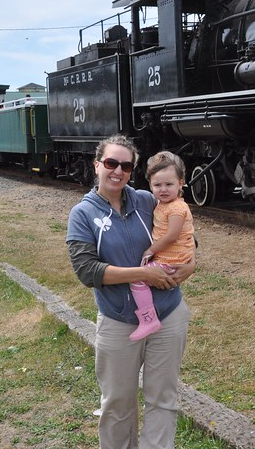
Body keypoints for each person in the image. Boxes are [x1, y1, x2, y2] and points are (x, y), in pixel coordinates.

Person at [66, 134, 195, 449]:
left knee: (162, 398)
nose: (118, 171)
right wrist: (143, 273)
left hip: (168, 316)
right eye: (111, 163)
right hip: (119, 323)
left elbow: (182, 237)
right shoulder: (82, 215)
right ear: (97, 165)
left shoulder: (146, 200)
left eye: (126, 165)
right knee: (118, 403)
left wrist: (191, 264)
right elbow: (88, 272)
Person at [127, 151, 197, 340]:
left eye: (169, 184)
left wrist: (151, 250)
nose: (163, 189)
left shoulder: (176, 207)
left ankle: (148, 320)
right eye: (157, 185)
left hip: (171, 260)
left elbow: (172, 236)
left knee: (137, 280)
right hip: (171, 257)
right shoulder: (164, 204)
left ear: (180, 183)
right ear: (150, 184)